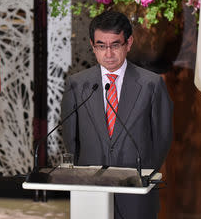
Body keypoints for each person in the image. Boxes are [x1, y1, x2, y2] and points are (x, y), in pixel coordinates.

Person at [61, 11, 173, 219]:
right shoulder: (77, 84)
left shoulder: (151, 84)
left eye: (115, 45)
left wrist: (141, 175)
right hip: (91, 190)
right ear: (93, 46)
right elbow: (71, 138)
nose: (108, 53)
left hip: (136, 192)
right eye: (101, 46)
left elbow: (162, 138)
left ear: (128, 43)